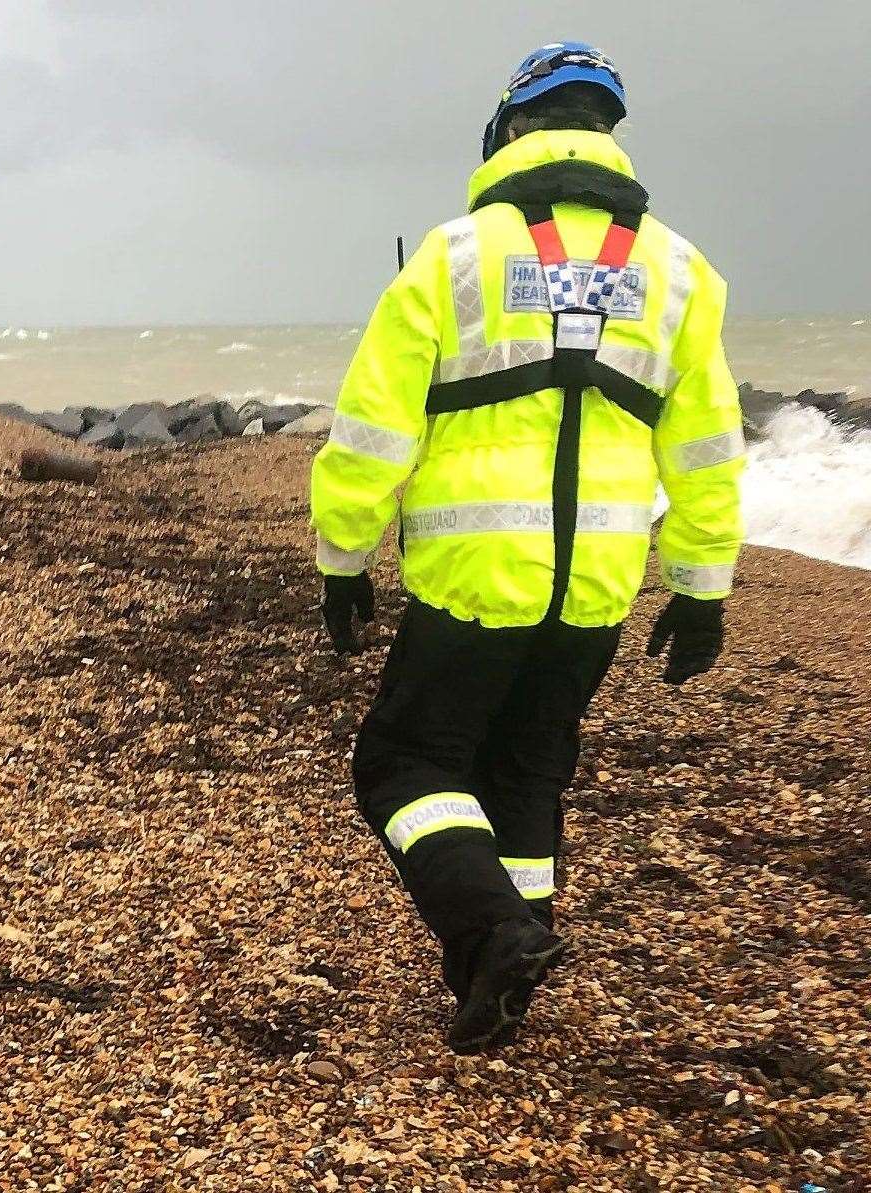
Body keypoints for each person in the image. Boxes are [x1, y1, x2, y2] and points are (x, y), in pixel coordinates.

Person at [310, 43, 744, 1054]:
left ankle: (492, 927)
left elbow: (371, 427)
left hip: (473, 576)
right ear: (607, 136)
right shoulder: (681, 272)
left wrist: (341, 556)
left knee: (403, 763)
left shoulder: (454, 255)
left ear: (508, 130)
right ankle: (503, 964)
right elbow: (709, 445)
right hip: (596, 582)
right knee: (524, 773)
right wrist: (700, 584)